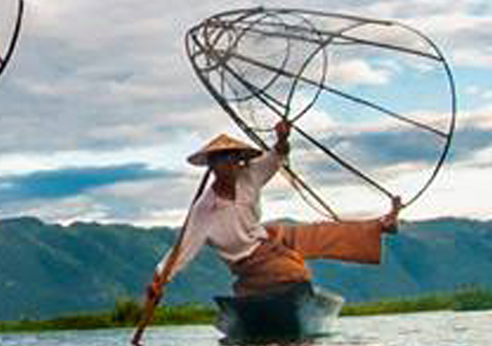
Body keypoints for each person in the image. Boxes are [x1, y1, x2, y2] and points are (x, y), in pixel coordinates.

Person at [146, 120, 401, 304]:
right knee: (294, 274)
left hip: (267, 238)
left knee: (317, 233)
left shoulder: (249, 175)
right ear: (212, 166)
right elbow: (183, 249)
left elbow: (276, 156)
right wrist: (160, 280)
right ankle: (259, 292)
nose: (230, 165)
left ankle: (381, 225)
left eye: (234, 159)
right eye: (222, 160)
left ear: (239, 161)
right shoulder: (204, 210)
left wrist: (281, 138)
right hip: (247, 260)